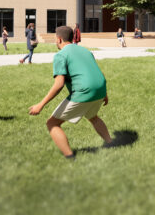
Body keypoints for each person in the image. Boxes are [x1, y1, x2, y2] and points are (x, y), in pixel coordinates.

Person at [28, 25, 112, 159]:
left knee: (52, 123)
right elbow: (97, 72)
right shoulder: (85, 51)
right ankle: (110, 143)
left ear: (59, 39)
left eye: (56, 39)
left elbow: (59, 84)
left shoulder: (61, 55)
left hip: (84, 92)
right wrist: (104, 93)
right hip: (99, 89)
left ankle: (70, 157)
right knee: (93, 117)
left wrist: (40, 104)